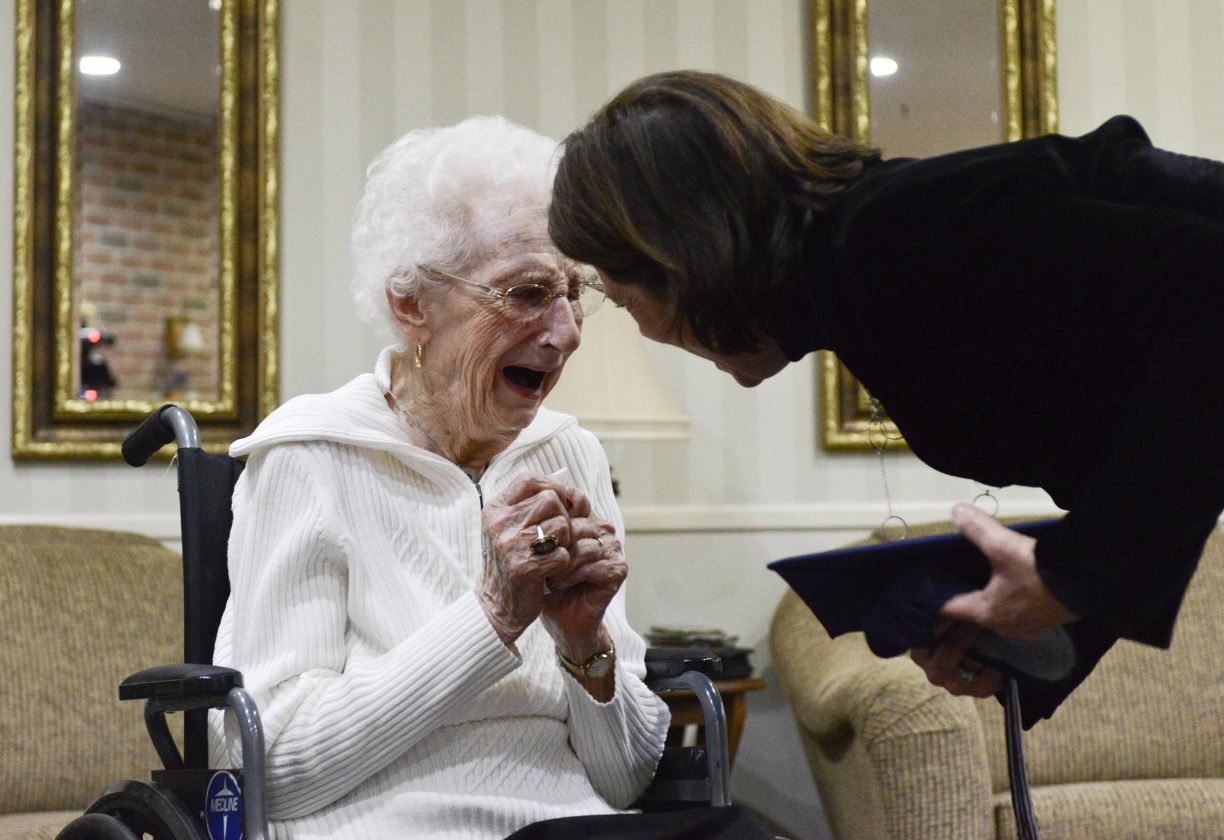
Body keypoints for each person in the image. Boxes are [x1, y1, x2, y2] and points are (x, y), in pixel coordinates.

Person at [548, 70, 1224, 726]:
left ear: (681, 257)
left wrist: (1076, 576)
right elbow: (1164, 420)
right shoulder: (869, 264)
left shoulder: (891, 233)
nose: (641, 326)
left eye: (621, 294)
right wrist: (1053, 639)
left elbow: (1208, 288)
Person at [208, 116, 774, 839]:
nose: (567, 332)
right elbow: (272, 768)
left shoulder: (569, 454)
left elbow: (627, 777)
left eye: (574, 293)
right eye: (529, 292)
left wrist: (583, 646)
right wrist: (491, 619)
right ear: (411, 305)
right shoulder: (309, 455)